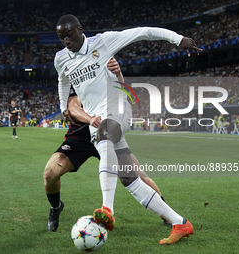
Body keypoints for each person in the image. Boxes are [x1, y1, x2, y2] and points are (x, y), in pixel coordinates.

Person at [55, 14, 201, 244]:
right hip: (98, 119)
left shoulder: (102, 42)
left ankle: (107, 209)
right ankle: (180, 223)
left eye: (69, 35)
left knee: (105, 133)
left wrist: (177, 38)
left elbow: (142, 31)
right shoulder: (61, 59)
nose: (66, 40)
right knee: (128, 178)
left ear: (80, 30)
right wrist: (64, 106)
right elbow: (63, 81)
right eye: (61, 37)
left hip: (118, 107)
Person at [45, 58, 170, 232]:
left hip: (106, 135)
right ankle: (56, 206)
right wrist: (90, 119)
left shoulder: (106, 81)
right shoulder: (79, 81)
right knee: (49, 174)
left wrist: (118, 73)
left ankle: (166, 212)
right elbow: (73, 107)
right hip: (79, 138)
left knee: (137, 175)